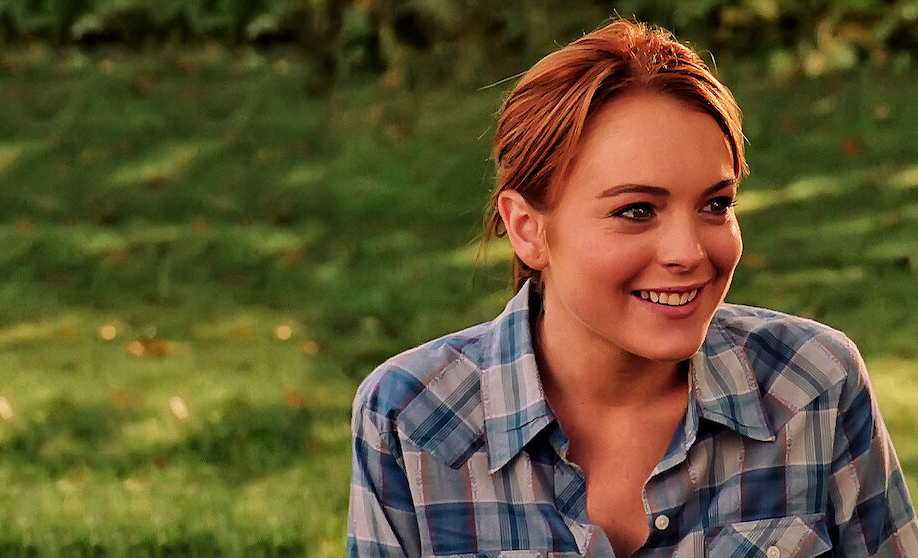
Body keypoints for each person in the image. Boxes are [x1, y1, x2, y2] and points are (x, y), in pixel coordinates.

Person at [347, 18, 918, 558]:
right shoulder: (411, 422)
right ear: (527, 229)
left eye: (716, 205)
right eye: (637, 210)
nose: (688, 252)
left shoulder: (815, 386)